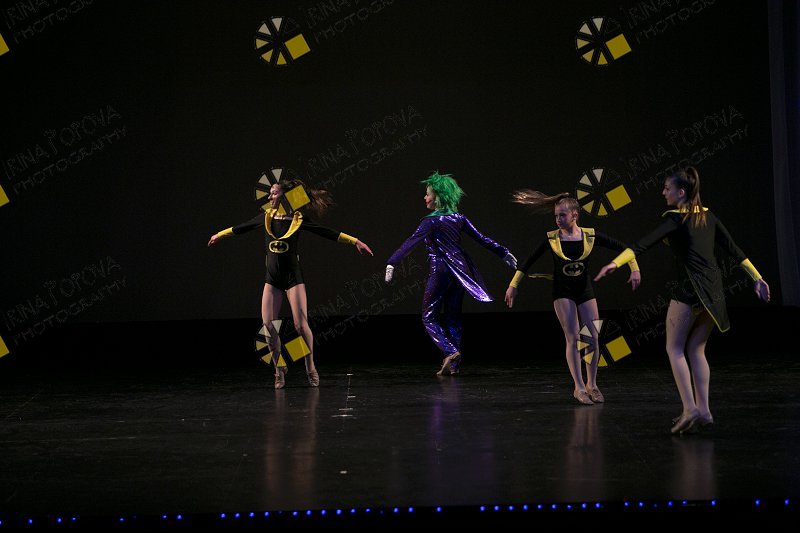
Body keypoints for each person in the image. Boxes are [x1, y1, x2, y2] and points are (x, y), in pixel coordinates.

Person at [594, 167, 770, 433]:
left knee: (674, 349)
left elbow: (643, 244)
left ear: (681, 192)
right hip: (714, 293)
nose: (663, 193)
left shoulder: (676, 220)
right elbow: (735, 251)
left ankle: (690, 408)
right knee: (696, 349)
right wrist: (757, 278)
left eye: (667, 188)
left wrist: (615, 263)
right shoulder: (709, 216)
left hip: (689, 291)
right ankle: (705, 411)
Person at [208, 179, 374, 389]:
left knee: (300, 325)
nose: (270, 197)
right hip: (272, 279)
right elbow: (241, 228)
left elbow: (327, 232)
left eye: (274, 193)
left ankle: (310, 366)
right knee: (268, 326)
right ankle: (279, 370)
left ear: (285, 196)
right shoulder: (266, 217)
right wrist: (219, 235)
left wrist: (355, 241)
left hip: (293, 278)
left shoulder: (298, 219)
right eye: (270, 193)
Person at [504, 191, 641, 405]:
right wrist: (513, 285)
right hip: (563, 292)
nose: (558, 220)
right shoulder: (552, 239)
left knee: (592, 337)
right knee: (574, 338)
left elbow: (625, 249)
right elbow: (527, 262)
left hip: (584, 290)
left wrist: (634, 269)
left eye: (562, 215)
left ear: (575, 215)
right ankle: (578, 387)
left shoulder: (590, 236)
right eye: (556, 216)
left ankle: (592, 384)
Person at [385, 171, 517, 376]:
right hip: (460, 271)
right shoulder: (459, 218)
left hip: (440, 269)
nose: (425, 197)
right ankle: (453, 365)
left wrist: (392, 262)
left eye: (428, 193)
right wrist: (503, 252)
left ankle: (450, 351)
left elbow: (411, 242)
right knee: (452, 316)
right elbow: (481, 238)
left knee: (428, 316)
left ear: (438, 196)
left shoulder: (430, 221)